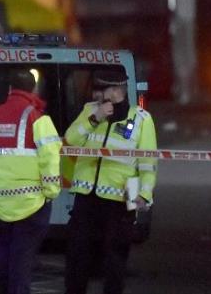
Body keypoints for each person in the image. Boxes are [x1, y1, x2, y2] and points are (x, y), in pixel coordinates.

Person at [64, 69, 157, 294]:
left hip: (120, 199)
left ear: (116, 90)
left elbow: (148, 161)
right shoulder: (89, 111)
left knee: (115, 258)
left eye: (102, 88)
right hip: (86, 197)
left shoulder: (141, 119)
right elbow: (69, 141)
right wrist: (95, 119)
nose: (97, 93)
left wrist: (144, 195)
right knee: (78, 256)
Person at [0, 70, 62, 294]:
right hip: (31, 203)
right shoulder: (39, 118)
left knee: (3, 258)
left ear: (9, 90)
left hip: (1, 201)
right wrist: (51, 191)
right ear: (33, 89)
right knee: (22, 261)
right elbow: (50, 158)